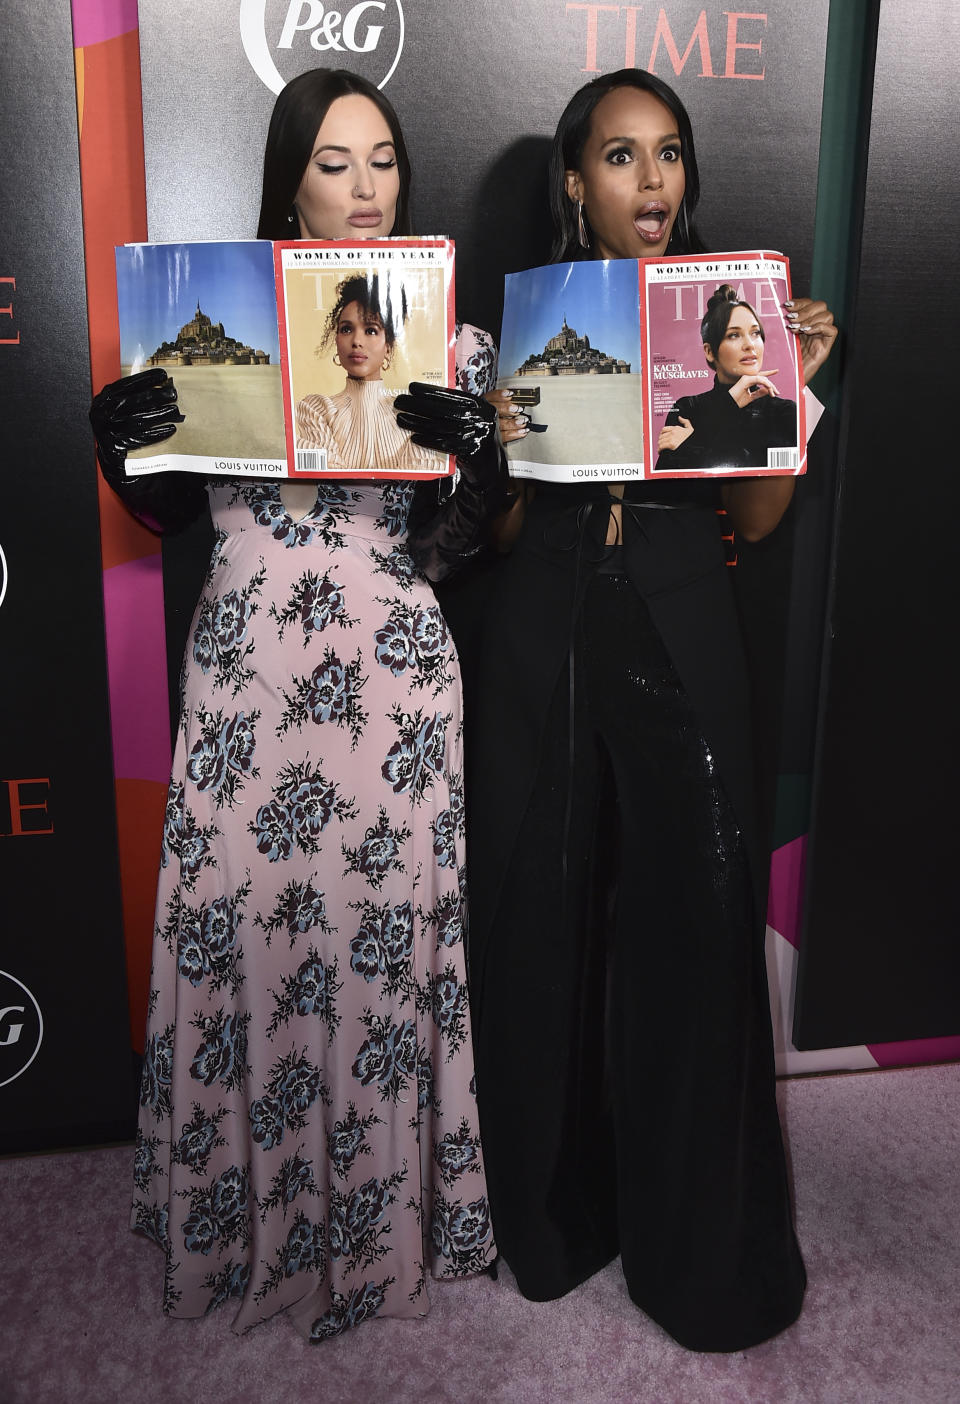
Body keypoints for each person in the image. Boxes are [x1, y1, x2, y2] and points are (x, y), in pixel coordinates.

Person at [399, 68, 836, 1353]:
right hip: (539, 624)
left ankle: (703, 1253)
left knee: (699, 932)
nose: (653, 182)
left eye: (670, 156)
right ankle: (551, 1221)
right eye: (621, 157)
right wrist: (496, 449)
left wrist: (796, 393)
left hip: (678, 618)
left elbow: (754, 515)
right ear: (576, 182)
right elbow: (508, 525)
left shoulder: (736, 322)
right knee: (534, 919)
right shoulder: (524, 320)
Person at [89, 68, 504, 1341]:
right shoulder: (211, 320)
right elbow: (170, 515)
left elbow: (466, 541)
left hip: (393, 683)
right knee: (246, 948)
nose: (368, 186)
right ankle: (240, 1239)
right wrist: (126, 451)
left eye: (385, 159)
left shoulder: (456, 341)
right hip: (248, 677)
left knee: (380, 959)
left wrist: (472, 465)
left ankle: (381, 1236)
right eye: (337, 161)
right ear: (289, 180)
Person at [295, 271, 440, 474]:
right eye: (346, 329)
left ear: (388, 345)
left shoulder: (413, 412)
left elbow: (417, 484)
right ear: (336, 340)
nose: (356, 341)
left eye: (371, 330)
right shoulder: (316, 409)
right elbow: (327, 483)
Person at [655, 283, 798, 472]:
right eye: (733, 335)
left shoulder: (784, 411)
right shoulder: (687, 408)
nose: (749, 345)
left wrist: (691, 445)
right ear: (709, 352)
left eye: (755, 333)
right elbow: (658, 492)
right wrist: (729, 404)